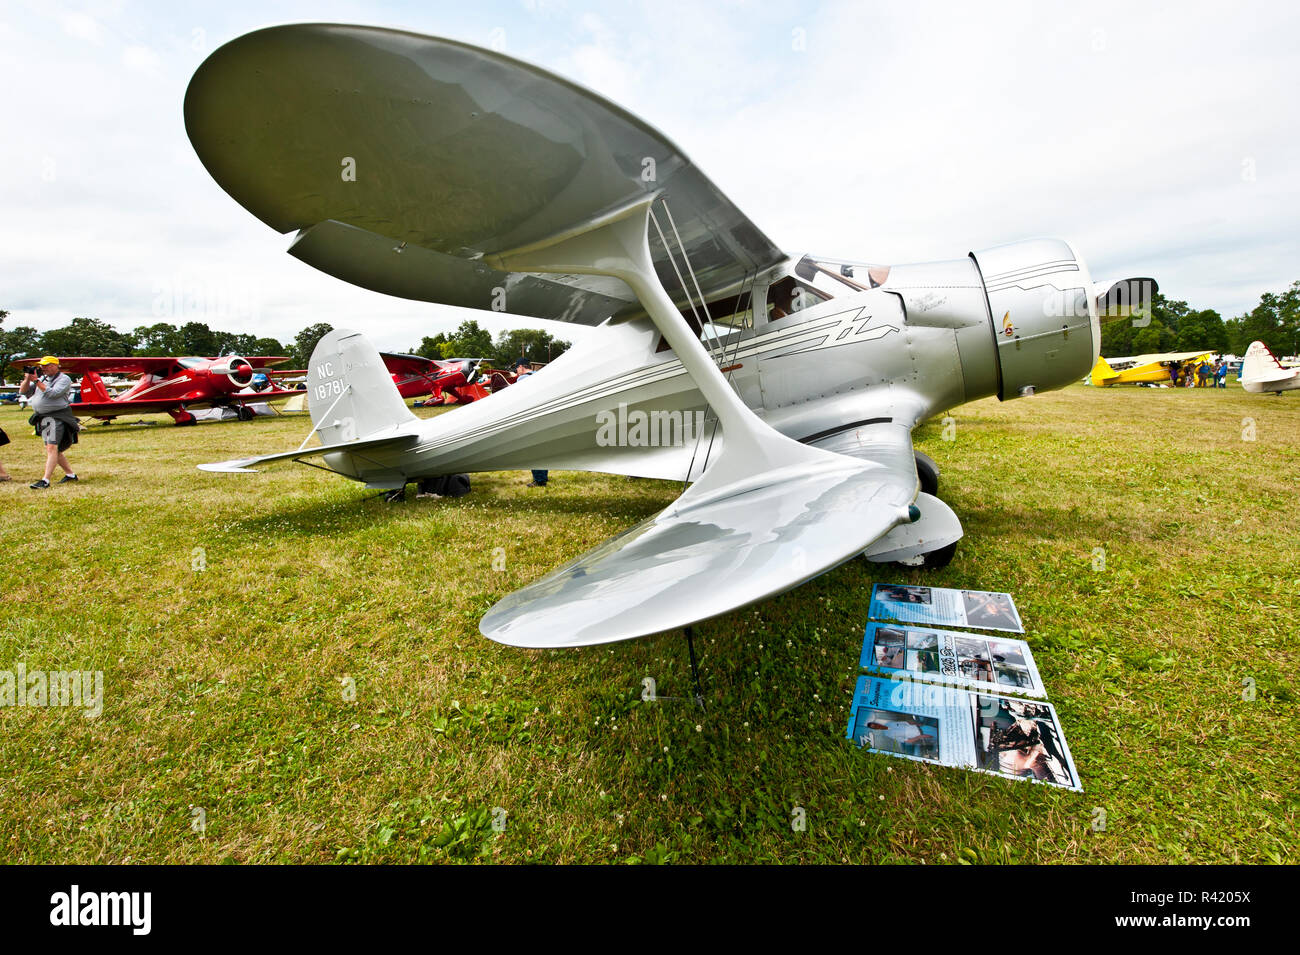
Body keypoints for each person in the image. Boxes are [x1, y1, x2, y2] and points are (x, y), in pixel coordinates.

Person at [20, 356, 80, 489]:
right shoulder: (42, 379)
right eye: (41, 366)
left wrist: (36, 381)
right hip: (44, 418)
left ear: (55, 365)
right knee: (52, 448)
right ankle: (70, 475)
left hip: (56, 417)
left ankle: (45, 480)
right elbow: (23, 391)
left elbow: (53, 394)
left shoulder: (64, 379)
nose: (43, 368)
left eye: (46, 365)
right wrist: (27, 379)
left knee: (52, 447)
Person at [514, 358, 548, 488]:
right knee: (542, 448)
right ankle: (543, 477)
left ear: (521, 367)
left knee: (533, 450)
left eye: (517, 368)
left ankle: (539, 480)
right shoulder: (539, 376)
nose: (516, 372)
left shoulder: (522, 379)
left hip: (531, 418)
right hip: (542, 416)